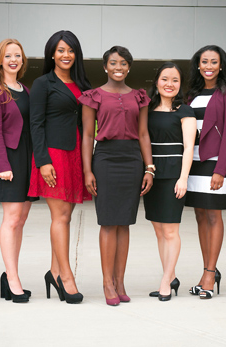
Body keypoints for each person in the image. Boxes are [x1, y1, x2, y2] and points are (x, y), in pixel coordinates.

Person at [80, 46, 154, 306]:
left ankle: (120, 281)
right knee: (109, 222)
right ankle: (107, 282)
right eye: (113, 63)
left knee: (125, 222)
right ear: (105, 66)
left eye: (123, 63)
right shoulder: (94, 96)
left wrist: (149, 168)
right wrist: (88, 169)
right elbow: (88, 135)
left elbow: (144, 134)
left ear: (129, 67)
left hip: (132, 159)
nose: (118, 67)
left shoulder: (139, 96)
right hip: (106, 159)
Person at [29, 30, 92, 304]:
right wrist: (42, 161)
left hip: (75, 153)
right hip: (53, 156)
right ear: (52, 54)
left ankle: (53, 272)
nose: (66, 55)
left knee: (66, 217)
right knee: (61, 218)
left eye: (70, 50)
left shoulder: (81, 83)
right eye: (60, 50)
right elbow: (36, 124)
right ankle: (66, 277)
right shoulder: (43, 83)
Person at [185, 45, 226, 299]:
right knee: (199, 215)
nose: (208, 66)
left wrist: (221, 169)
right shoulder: (192, 94)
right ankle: (208, 269)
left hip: (215, 161)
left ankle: (209, 272)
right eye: (204, 61)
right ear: (198, 64)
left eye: (213, 62)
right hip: (194, 162)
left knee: (213, 216)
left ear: (221, 66)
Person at [0, 39, 36, 304]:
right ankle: (13, 280)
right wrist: (2, 165)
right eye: (8, 55)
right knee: (11, 219)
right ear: (0, 61)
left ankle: (9, 275)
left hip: (27, 158)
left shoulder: (25, 90)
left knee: (22, 220)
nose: (13, 59)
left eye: (18, 55)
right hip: (9, 160)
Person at [143, 62, 196, 302]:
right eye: (165, 79)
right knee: (158, 230)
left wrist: (183, 178)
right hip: (152, 173)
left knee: (171, 230)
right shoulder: (148, 109)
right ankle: (171, 275)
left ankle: (165, 281)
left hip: (175, 174)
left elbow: (188, 148)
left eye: (175, 80)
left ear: (180, 84)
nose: (169, 84)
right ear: (157, 82)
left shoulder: (185, 111)